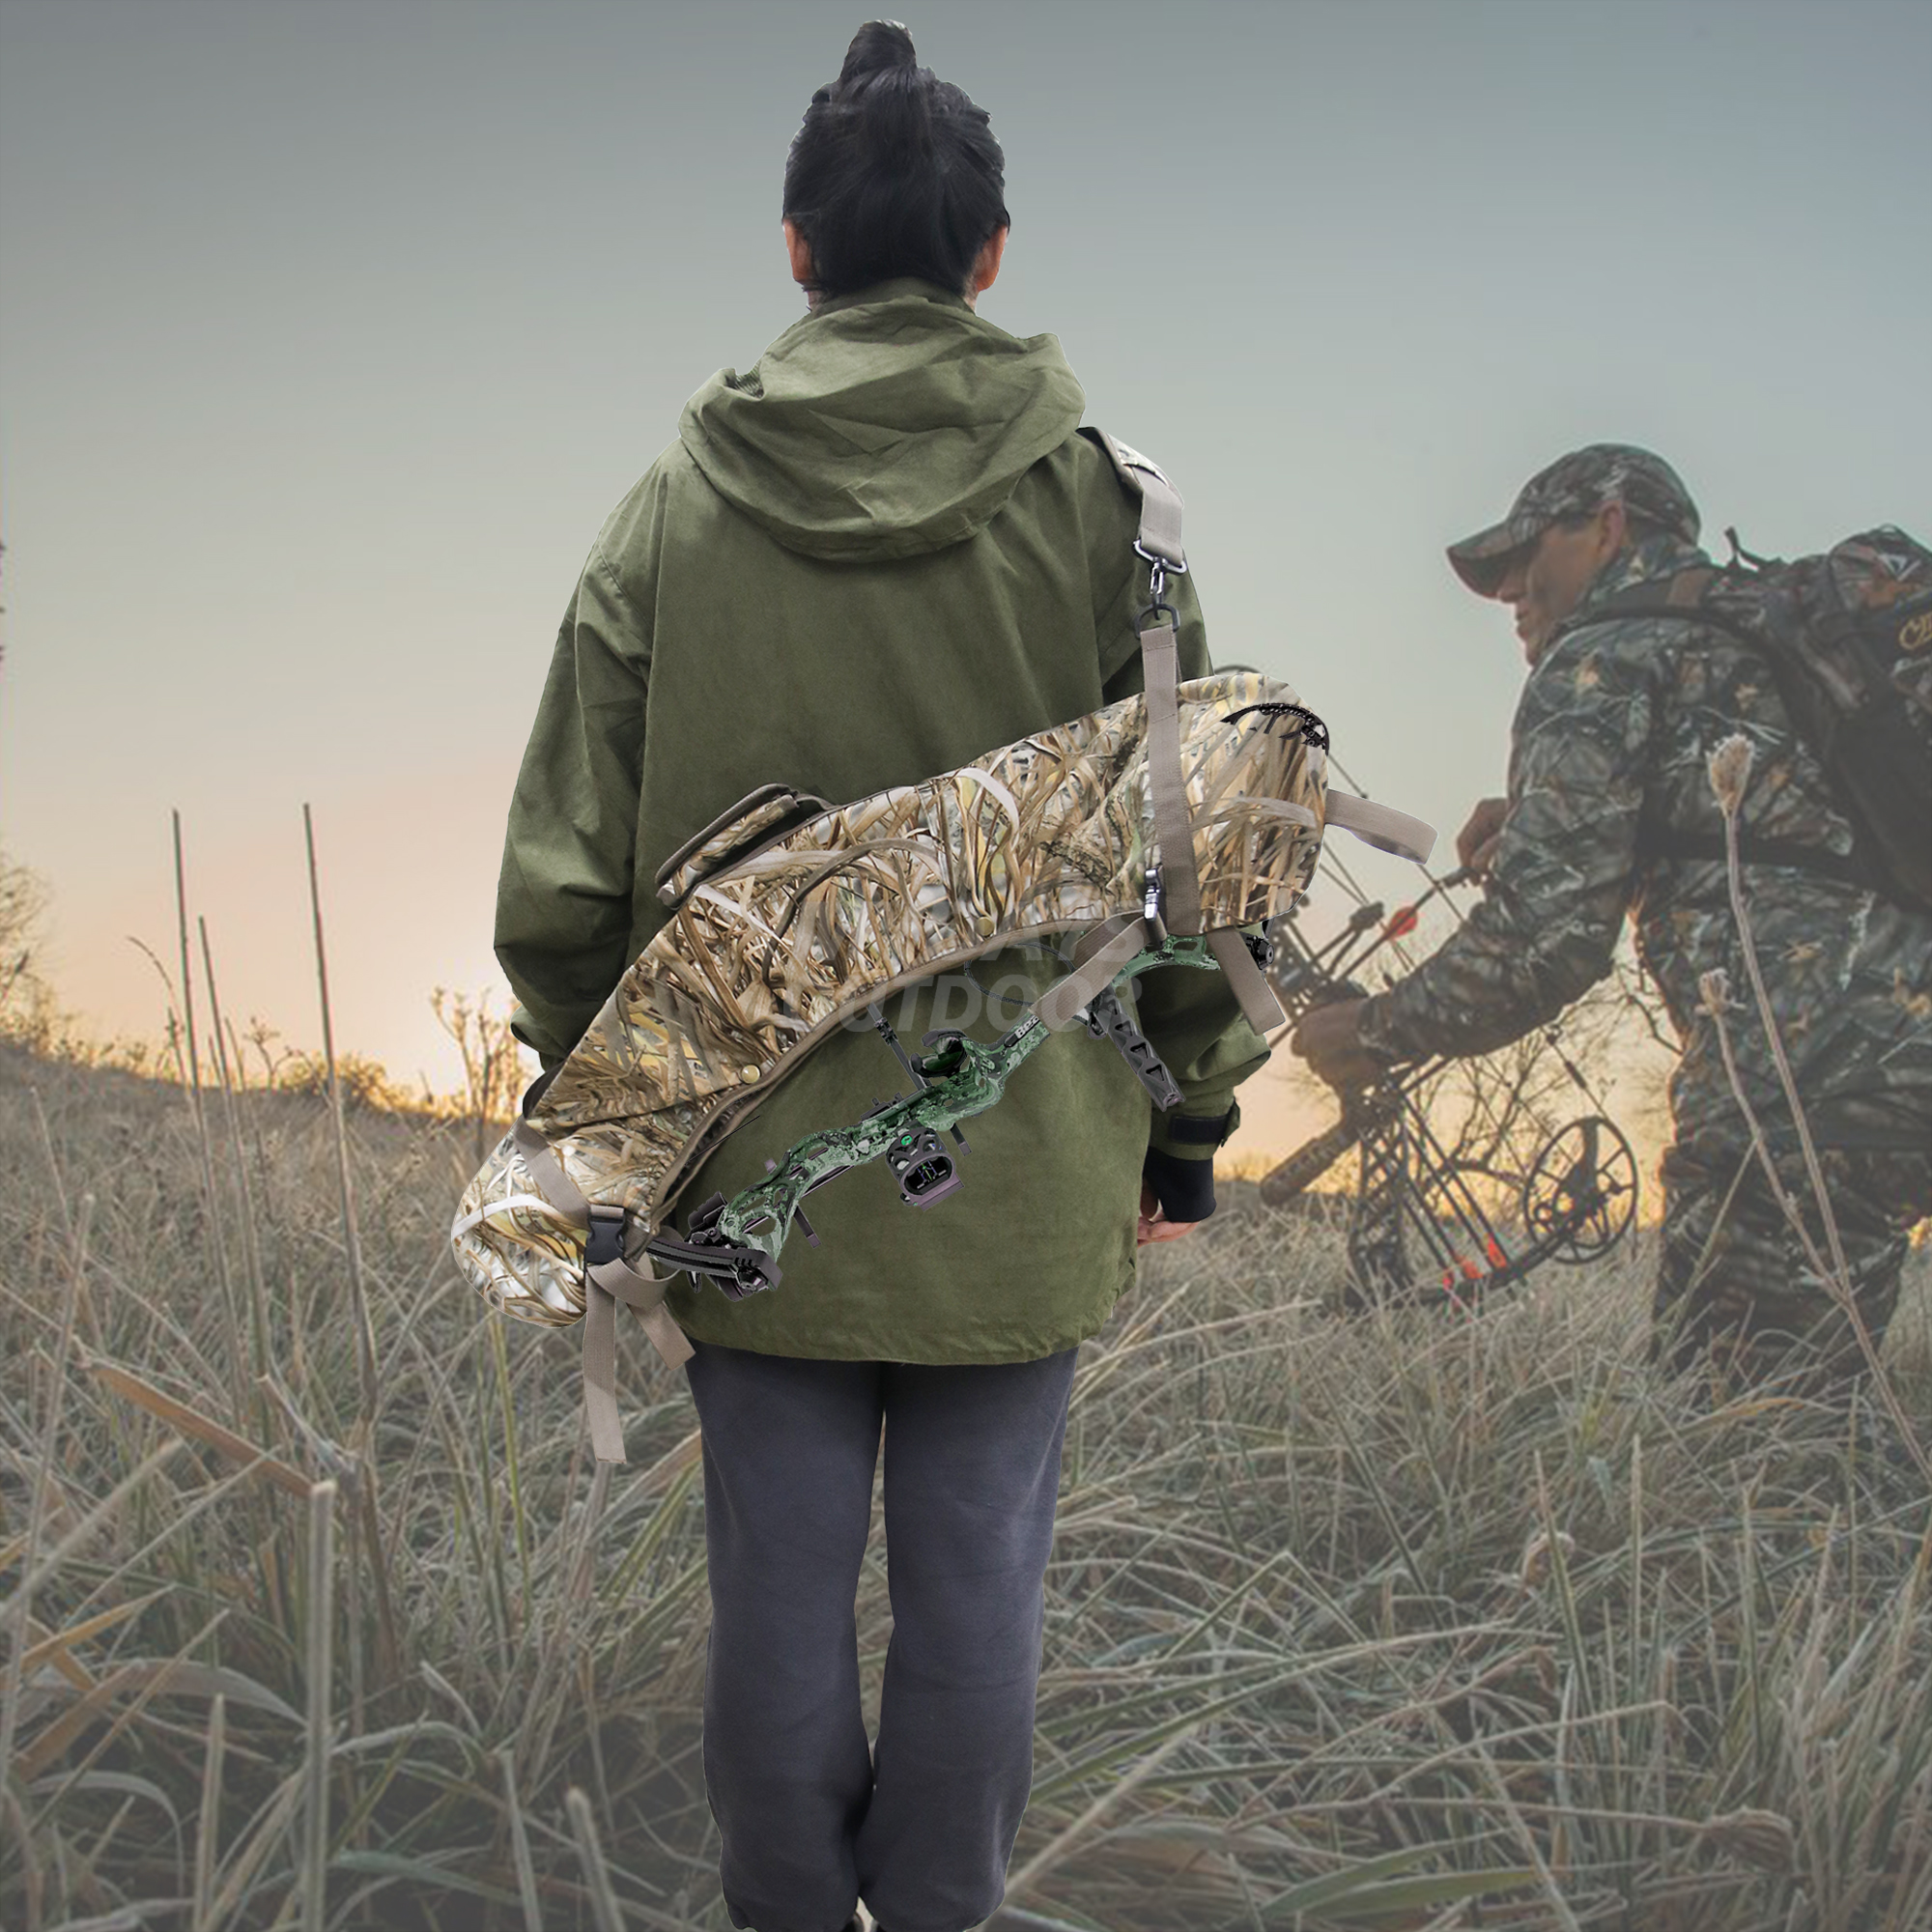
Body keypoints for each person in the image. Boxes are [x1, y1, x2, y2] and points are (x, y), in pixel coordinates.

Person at [492, 23, 1268, 1932]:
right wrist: (1186, 1128)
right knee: (978, 1589)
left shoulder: (668, 510)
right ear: (992, 252)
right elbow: (1198, 872)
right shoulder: (1123, 520)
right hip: (1021, 1164)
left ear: (792, 248)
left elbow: (563, 878)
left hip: (740, 1166)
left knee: (769, 1590)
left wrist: (611, 1115)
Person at [1292, 443, 1932, 1404]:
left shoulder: (1600, 654)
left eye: (1523, 552)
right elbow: (1798, 833)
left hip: (1796, 1101)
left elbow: (1537, 946)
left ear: (1608, 525)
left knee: (1743, 1447)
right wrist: (1585, 829)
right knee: (1839, 1426)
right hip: (1891, 1068)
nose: (1507, 588)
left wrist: (1370, 1031)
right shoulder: (1763, 631)